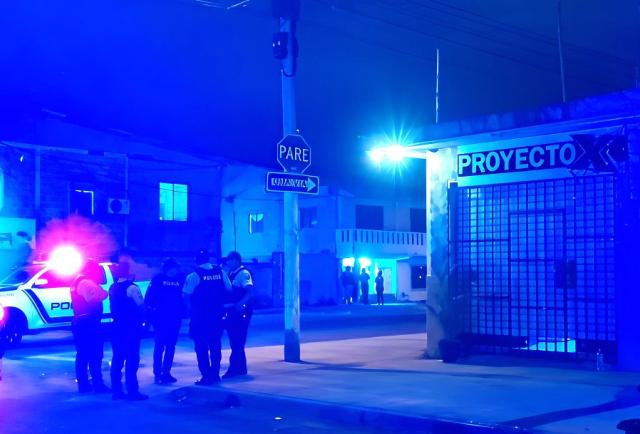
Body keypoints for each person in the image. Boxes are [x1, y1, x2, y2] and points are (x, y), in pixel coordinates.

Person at [183, 249, 231, 385]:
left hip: (200, 317)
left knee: (201, 346)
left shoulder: (194, 275)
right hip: (216, 316)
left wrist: (190, 311)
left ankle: (206, 375)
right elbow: (229, 289)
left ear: (196, 260)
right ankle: (215, 374)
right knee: (215, 344)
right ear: (208, 259)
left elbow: (186, 295)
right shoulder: (220, 273)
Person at [70, 260, 110, 394]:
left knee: (82, 355)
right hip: (89, 324)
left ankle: (84, 385)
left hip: (80, 322)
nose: (99, 274)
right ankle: (98, 385)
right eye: (97, 270)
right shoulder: (86, 283)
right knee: (95, 354)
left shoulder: (76, 281)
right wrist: (100, 290)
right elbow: (99, 296)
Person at [109, 260, 147, 401]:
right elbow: (141, 306)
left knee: (117, 359)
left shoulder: (113, 287)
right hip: (131, 328)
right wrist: (145, 321)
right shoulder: (132, 288)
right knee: (132, 359)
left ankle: (116, 391)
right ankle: (132, 392)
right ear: (129, 272)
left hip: (117, 327)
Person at [145, 258, 185, 385]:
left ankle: (166, 372)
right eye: (175, 268)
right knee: (159, 346)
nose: (177, 270)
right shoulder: (157, 280)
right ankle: (158, 374)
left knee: (171, 346)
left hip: (175, 318)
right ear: (169, 268)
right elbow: (149, 298)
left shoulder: (180, 280)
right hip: (160, 319)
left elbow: (182, 298)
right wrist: (151, 316)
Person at [222, 251, 253, 379]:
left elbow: (249, 291)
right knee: (235, 341)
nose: (227, 262)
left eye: (229, 260)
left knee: (237, 340)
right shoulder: (230, 273)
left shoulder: (243, 273)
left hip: (240, 312)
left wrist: (240, 304)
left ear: (236, 260)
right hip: (232, 311)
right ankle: (241, 368)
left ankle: (234, 368)